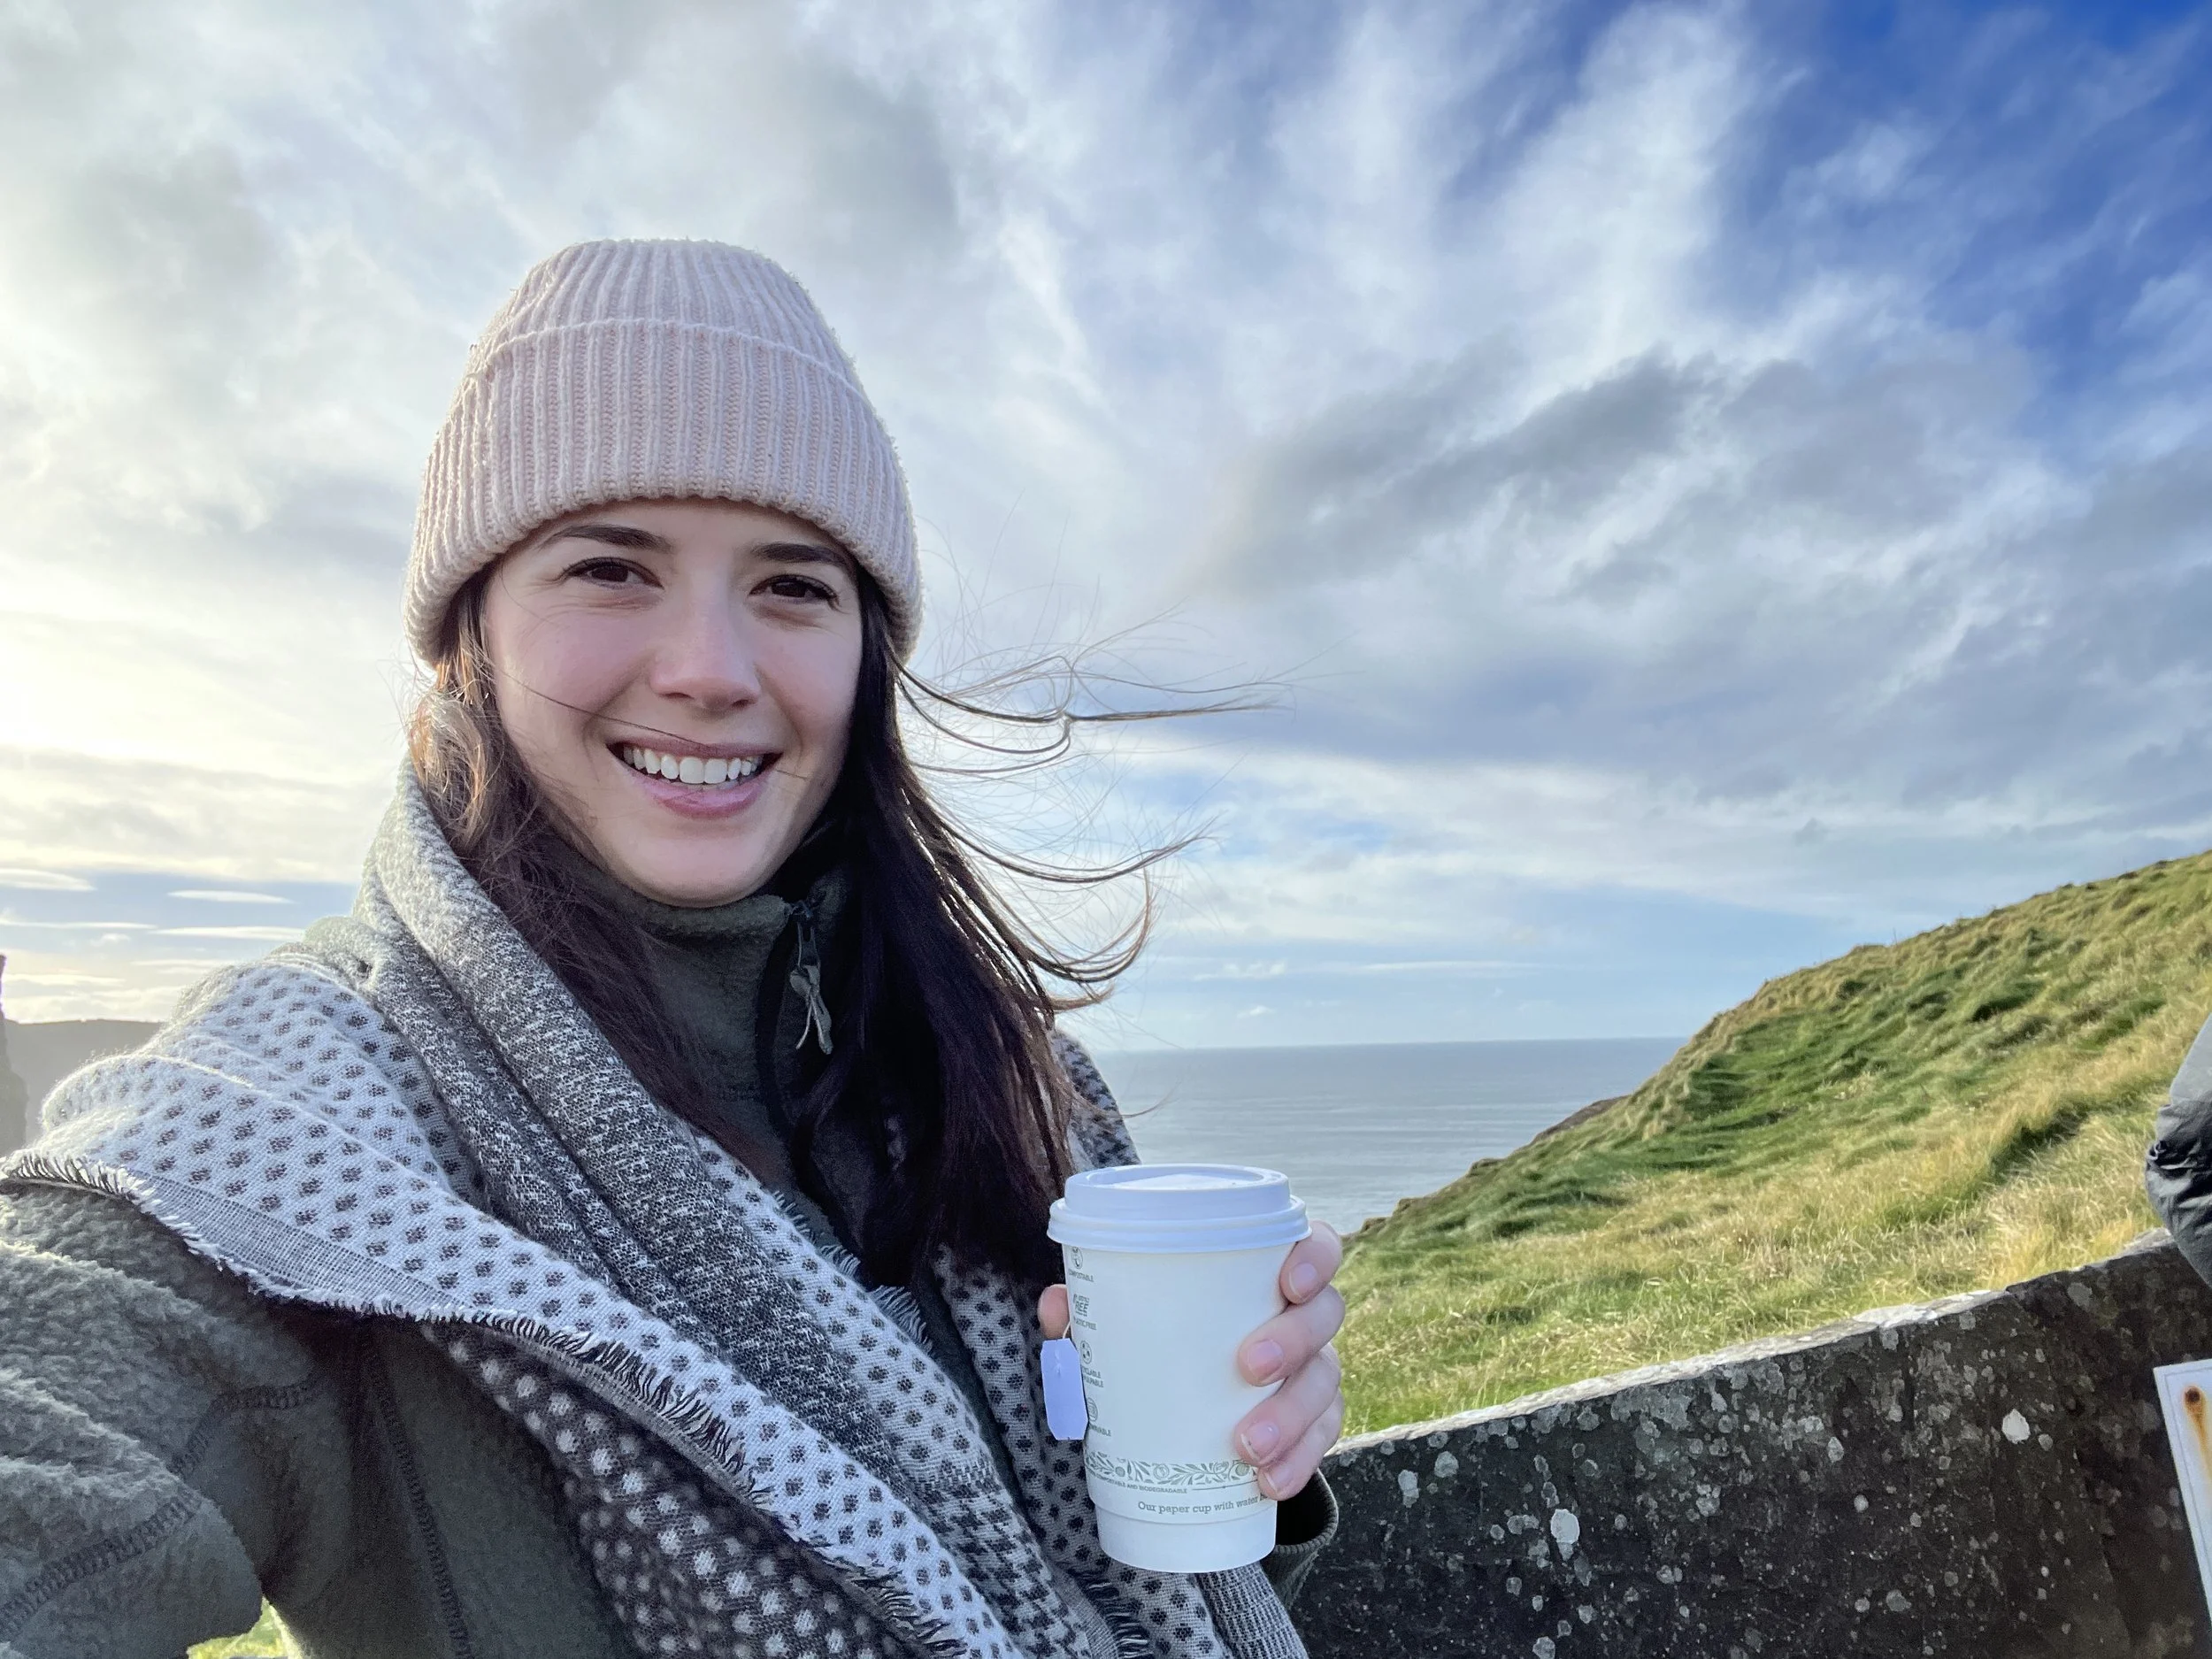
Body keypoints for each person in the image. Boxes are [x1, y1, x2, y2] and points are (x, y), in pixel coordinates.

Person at [0, 241, 1343, 1659]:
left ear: (865, 655)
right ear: (469, 632)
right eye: (610, 567)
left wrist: (1257, 1464)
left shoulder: (1007, 1077)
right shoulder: (295, 1128)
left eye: (792, 585)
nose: (709, 665)